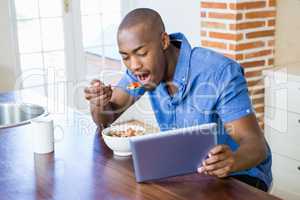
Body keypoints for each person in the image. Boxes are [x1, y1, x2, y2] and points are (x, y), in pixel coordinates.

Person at [84, 8, 272, 192]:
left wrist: (232, 161)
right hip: (192, 172)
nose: (134, 65)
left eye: (141, 53)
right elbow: (107, 117)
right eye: (125, 57)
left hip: (241, 175)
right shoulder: (140, 76)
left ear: (164, 41)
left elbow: (256, 145)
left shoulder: (219, 73)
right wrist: (98, 102)